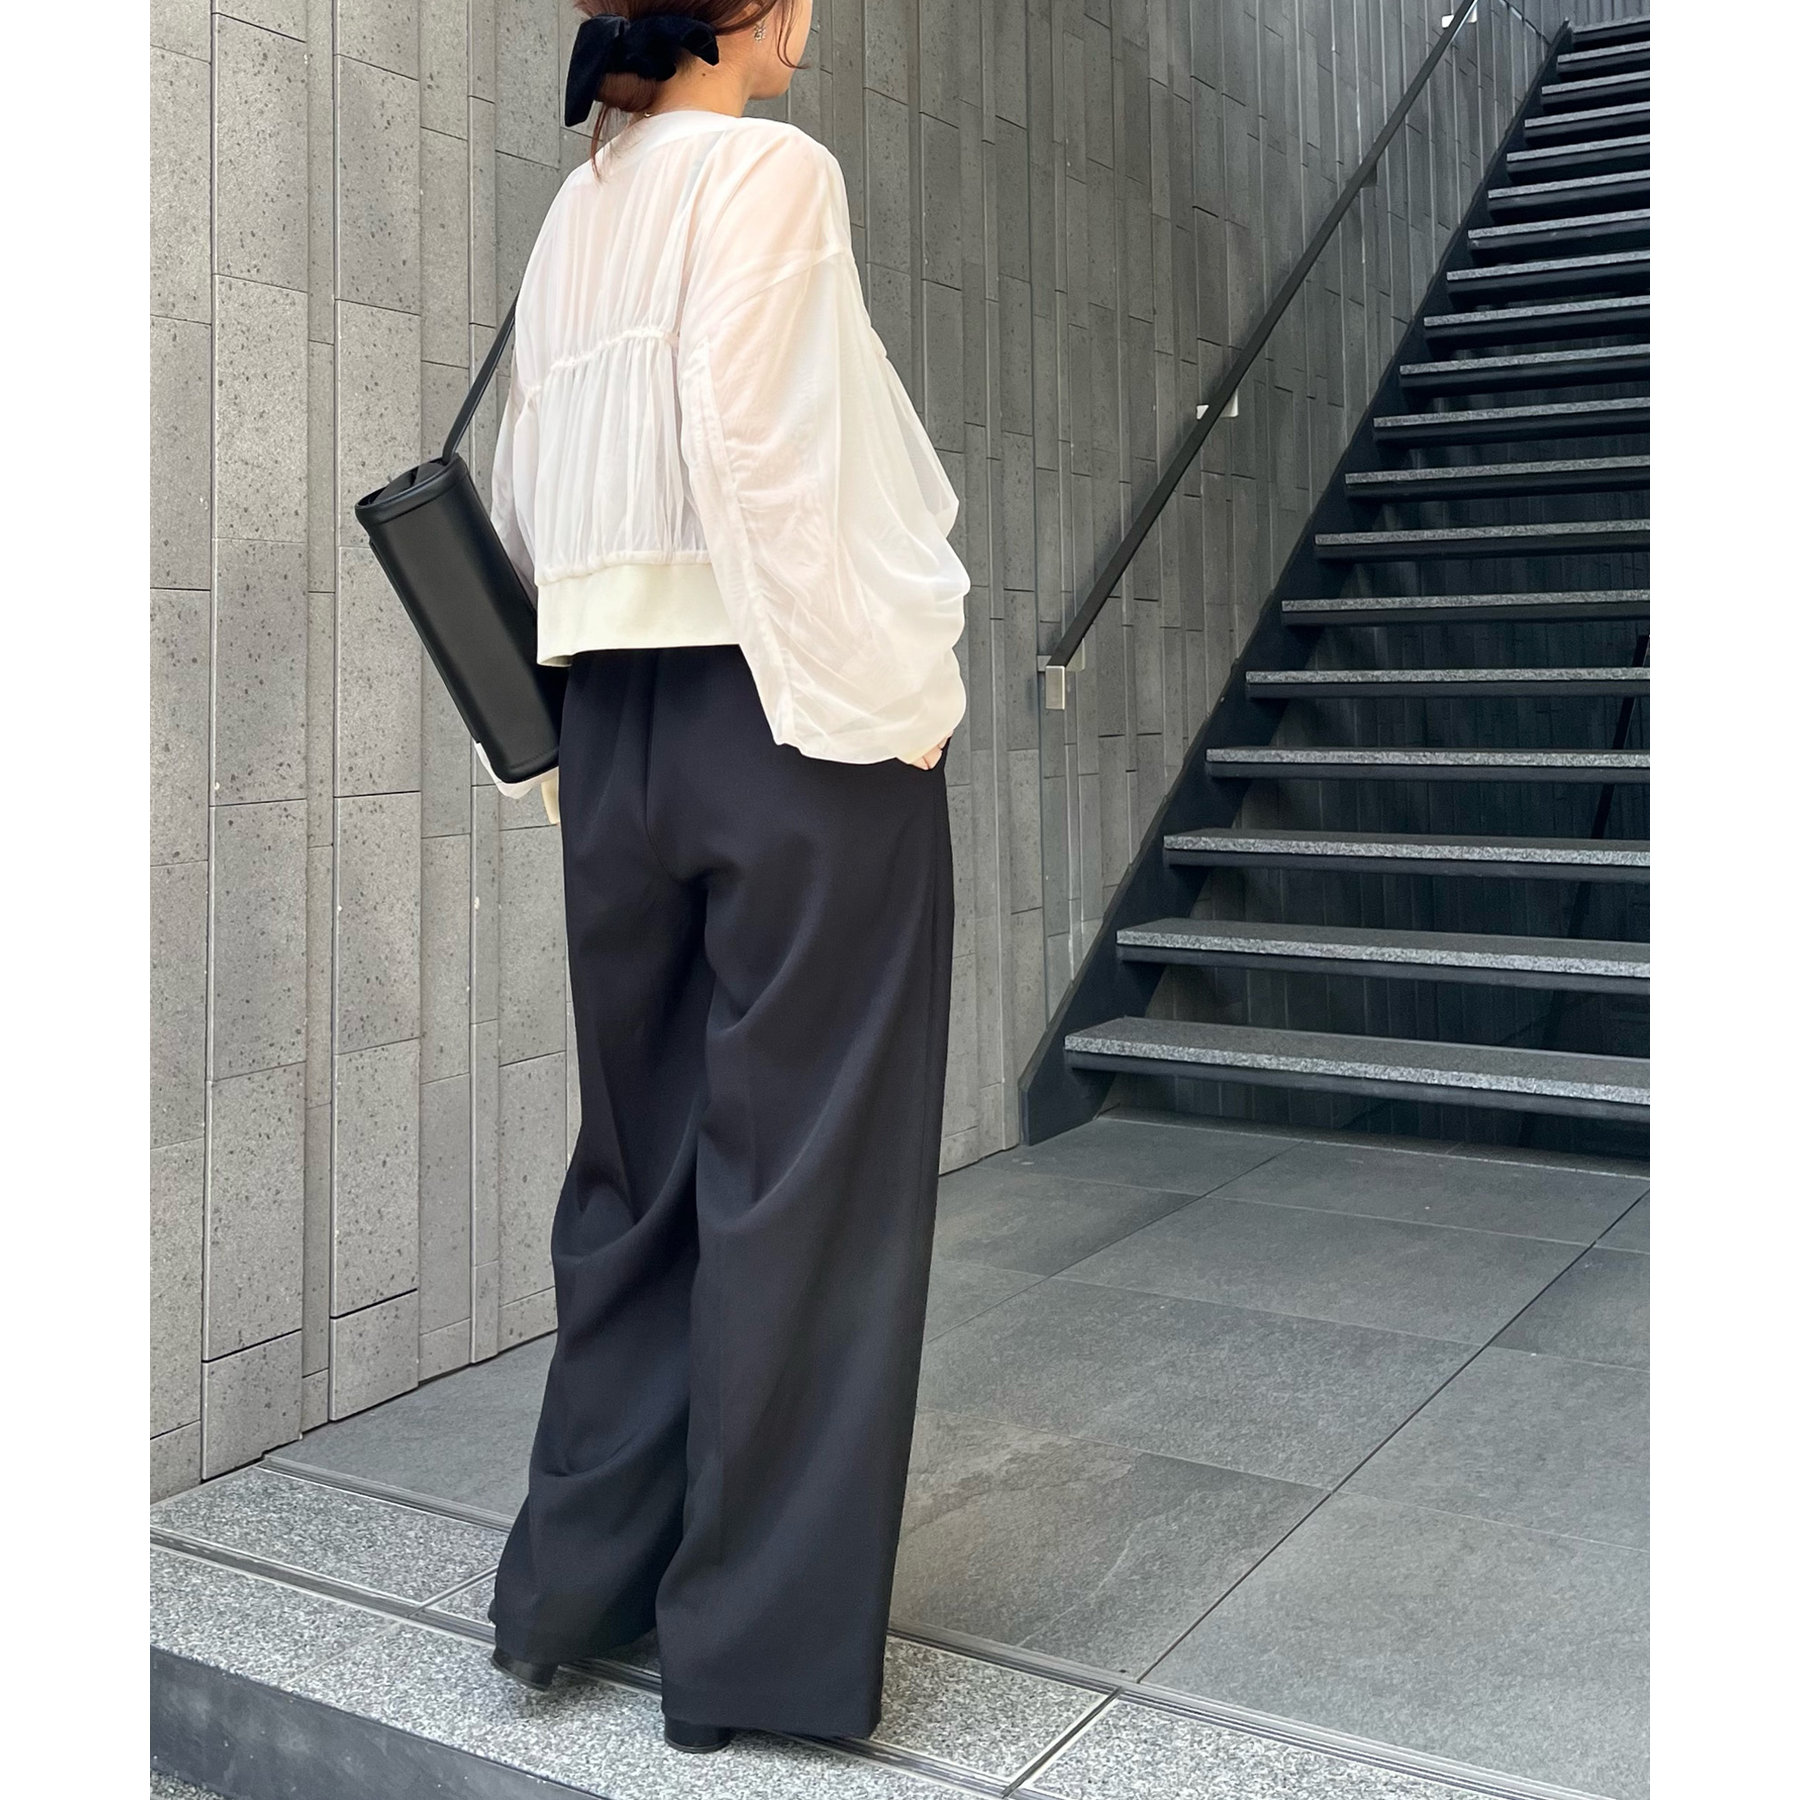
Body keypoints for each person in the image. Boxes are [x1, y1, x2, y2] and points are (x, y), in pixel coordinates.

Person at [479, 1, 969, 1757]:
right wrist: (893, 702)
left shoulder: (583, 204)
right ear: (757, 10)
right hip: (785, 717)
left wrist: (565, 736)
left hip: (612, 726)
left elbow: (523, 486)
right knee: (806, 1183)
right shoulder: (770, 175)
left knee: (638, 1167)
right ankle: (751, 1653)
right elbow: (768, 463)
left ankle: (576, 1587)